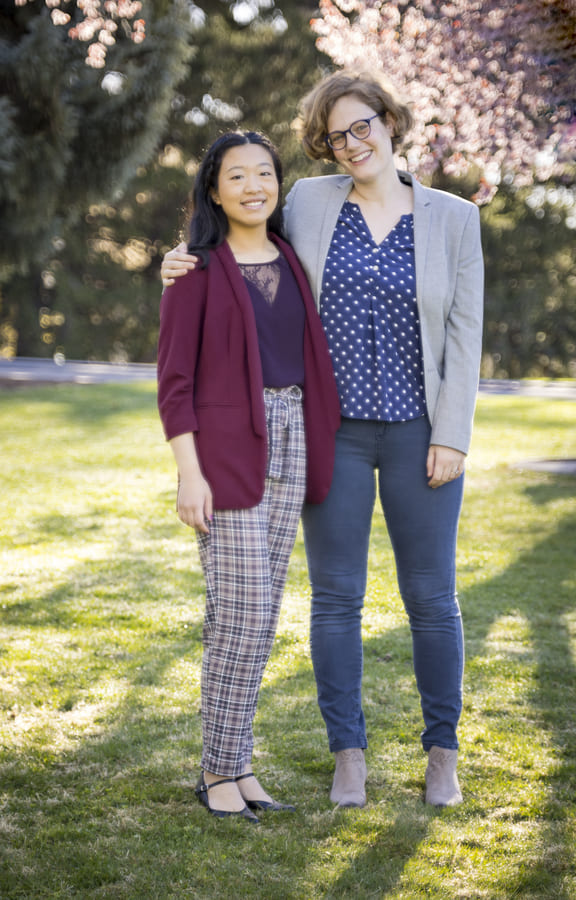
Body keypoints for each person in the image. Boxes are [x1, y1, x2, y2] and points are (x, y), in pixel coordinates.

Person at [161, 69, 484, 809]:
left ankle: (442, 753)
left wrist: (454, 435)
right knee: (336, 598)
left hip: (420, 433)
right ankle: (348, 754)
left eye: (363, 125)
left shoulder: (454, 219)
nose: (352, 143)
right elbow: (238, 245)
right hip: (326, 433)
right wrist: (176, 261)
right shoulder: (308, 201)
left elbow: (465, 339)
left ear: (390, 121)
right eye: (336, 135)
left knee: (432, 598)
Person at [157, 130, 340, 823]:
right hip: (228, 452)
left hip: (291, 439)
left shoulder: (291, 257)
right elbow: (173, 383)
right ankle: (215, 770)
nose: (253, 186)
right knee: (240, 615)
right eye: (237, 176)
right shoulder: (195, 270)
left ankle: (237, 763)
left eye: (265, 173)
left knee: (259, 618)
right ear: (213, 189)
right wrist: (188, 474)